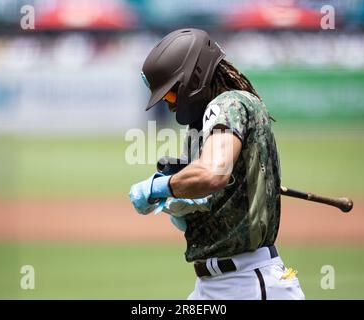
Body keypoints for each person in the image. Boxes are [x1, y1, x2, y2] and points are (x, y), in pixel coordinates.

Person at [129, 28, 305, 300]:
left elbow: (213, 173)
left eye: (171, 95)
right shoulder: (200, 129)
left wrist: (160, 186)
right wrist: (181, 204)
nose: (171, 107)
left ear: (195, 75)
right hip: (214, 286)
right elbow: (209, 205)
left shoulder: (229, 103)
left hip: (248, 284)